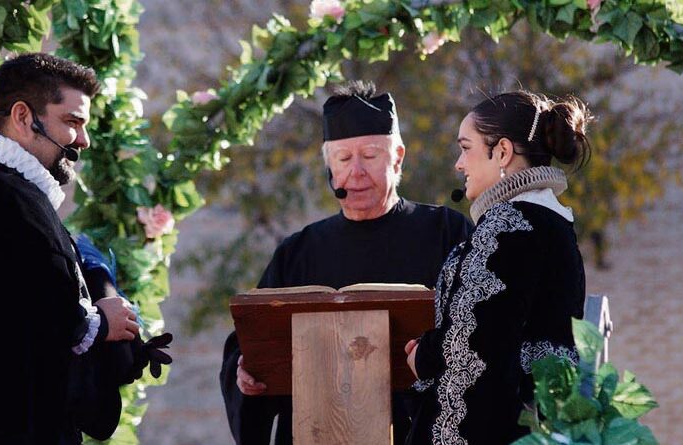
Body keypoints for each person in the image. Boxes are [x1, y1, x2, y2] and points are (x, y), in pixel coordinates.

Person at [219, 80, 473, 444]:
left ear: (397, 157)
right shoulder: (299, 251)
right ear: (329, 167)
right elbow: (249, 343)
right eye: (343, 159)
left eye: (370, 156)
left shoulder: (446, 232)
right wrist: (247, 374)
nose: (356, 172)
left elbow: (479, 330)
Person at [0, 53, 142, 444]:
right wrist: (103, 320)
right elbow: (28, 324)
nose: (83, 140)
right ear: (22, 116)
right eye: (72, 122)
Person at [404, 91, 591, 445]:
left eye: (466, 148)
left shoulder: (507, 223)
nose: (459, 164)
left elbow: (475, 336)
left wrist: (424, 357)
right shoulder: (553, 222)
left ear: (502, 152)